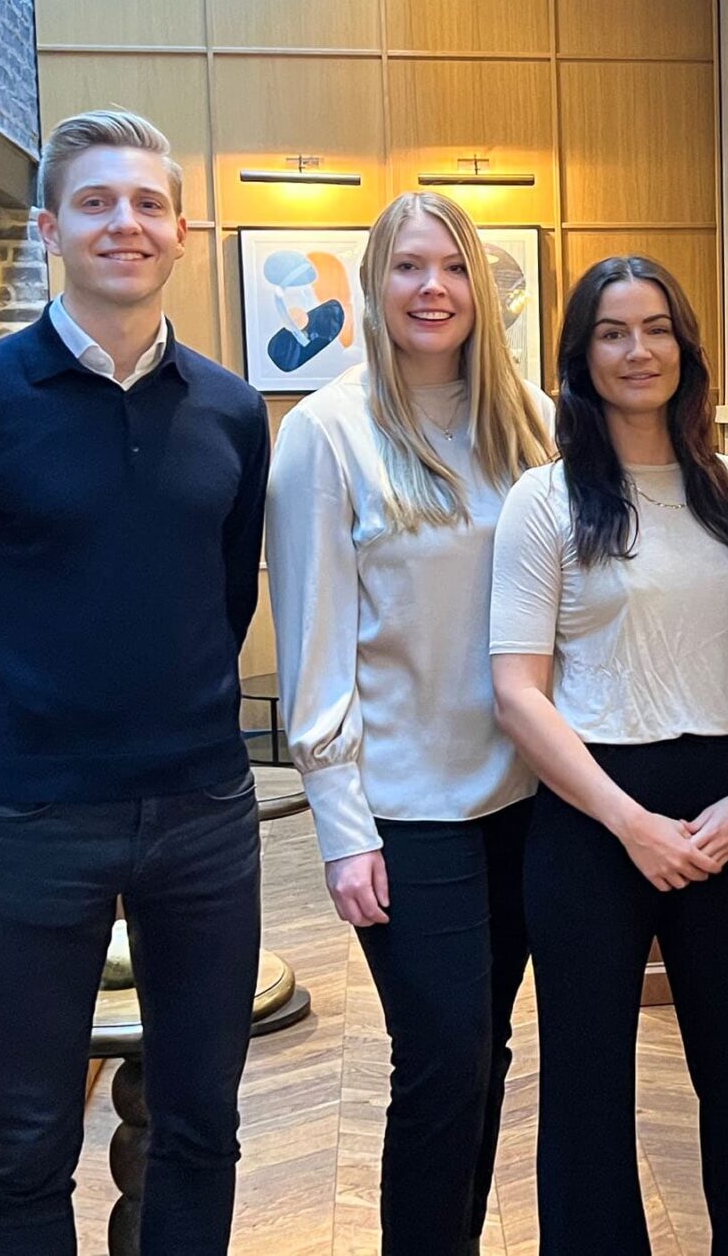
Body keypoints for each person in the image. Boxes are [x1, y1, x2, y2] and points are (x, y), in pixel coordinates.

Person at [0, 110, 270, 1256]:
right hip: (37, 817)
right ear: (50, 229)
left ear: (182, 232)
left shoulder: (231, 410)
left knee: (202, 1127)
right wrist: (21, 727)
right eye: (98, 202)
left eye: (149, 203)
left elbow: (226, 594)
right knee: (25, 1143)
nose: (126, 223)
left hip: (205, 813)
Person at [264, 190, 554, 1254]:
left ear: (481, 287)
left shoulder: (534, 422)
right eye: (408, 267)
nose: (432, 288)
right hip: (404, 804)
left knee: (487, 1052)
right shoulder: (325, 432)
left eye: (452, 266)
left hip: (527, 793)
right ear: (372, 285)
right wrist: (341, 827)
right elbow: (313, 642)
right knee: (439, 1060)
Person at [490, 257, 728, 1256]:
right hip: (591, 820)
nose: (637, 350)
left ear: (685, 346)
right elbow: (517, 690)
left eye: (656, 328)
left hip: (724, 816)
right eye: (612, 332)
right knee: (585, 1096)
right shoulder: (544, 500)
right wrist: (628, 821)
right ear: (580, 356)